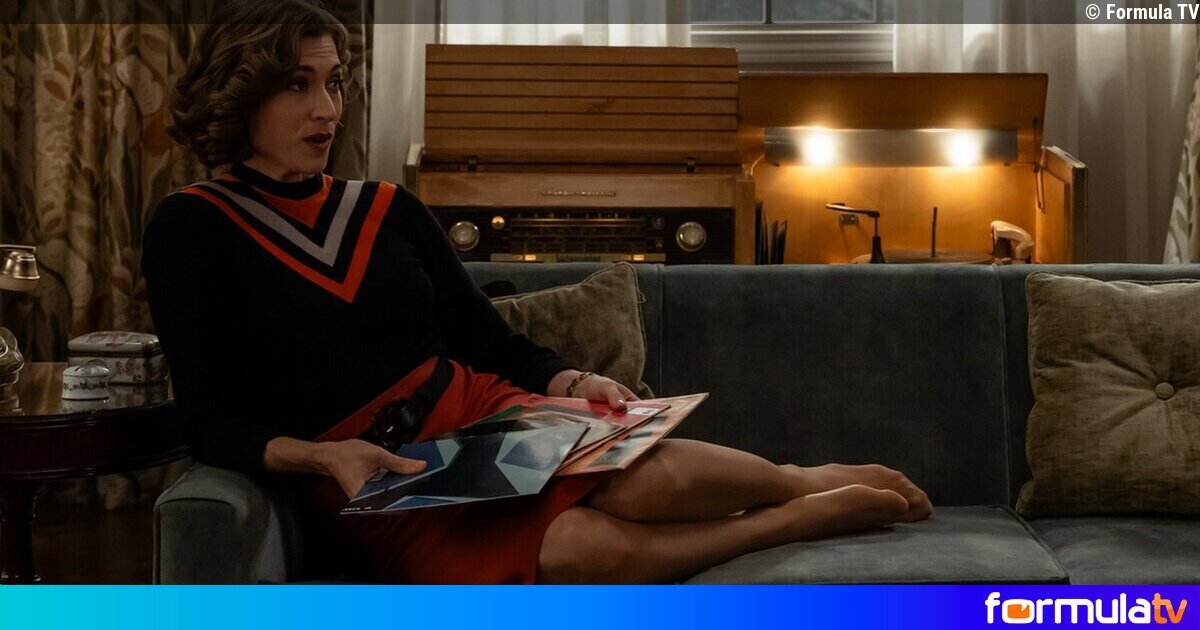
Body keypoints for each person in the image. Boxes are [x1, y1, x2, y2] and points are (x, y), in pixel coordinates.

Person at [143, 0, 932, 584]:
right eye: (299, 86)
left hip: (479, 416)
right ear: (241, 93)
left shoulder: (386, 207)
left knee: (645, 479)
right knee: (580, 551)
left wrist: (571, 380)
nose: (327, 109)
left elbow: (488, 341)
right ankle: (790, 521)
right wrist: (324, 457)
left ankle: (801, 479)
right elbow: (208, 423)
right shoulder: (191, 227)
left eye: (335, 83)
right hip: (377, 481)